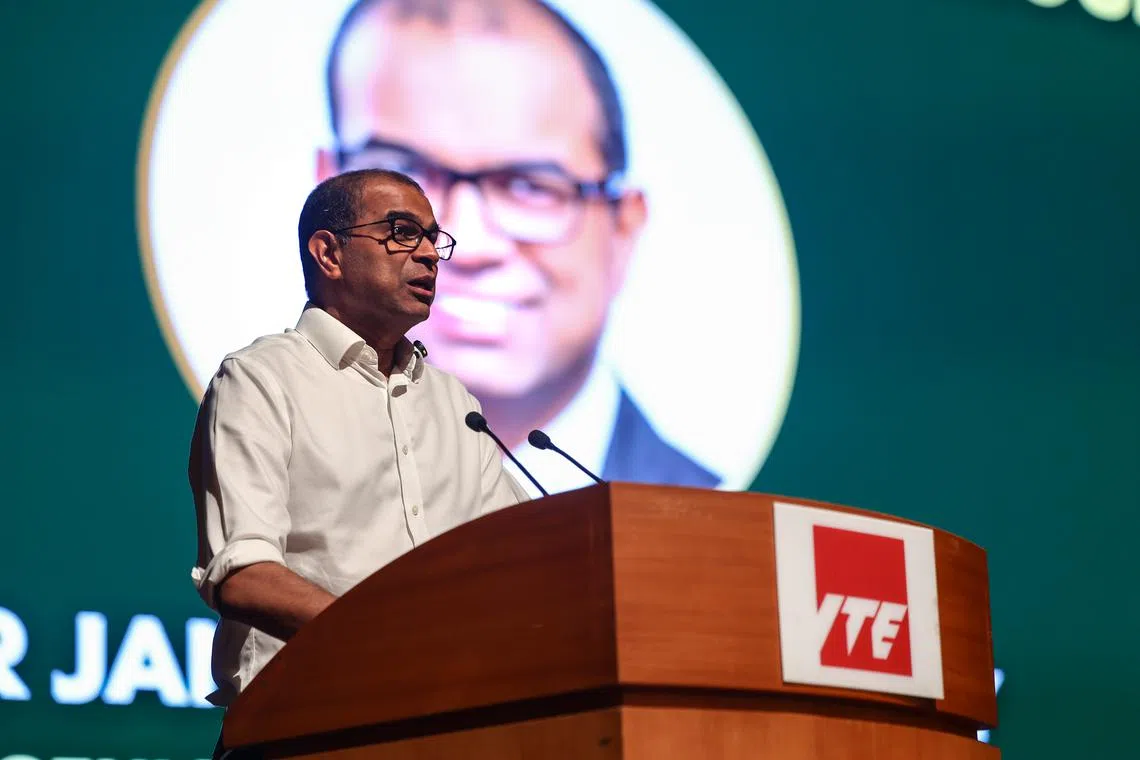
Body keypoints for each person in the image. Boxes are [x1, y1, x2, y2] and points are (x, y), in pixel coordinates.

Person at [315, 0, 721, 494]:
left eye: (529, 186)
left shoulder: (717, 519)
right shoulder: (270, 466)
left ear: (623, 229)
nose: (465, 244)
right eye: (404, 177)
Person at [189, 169, 529, 719]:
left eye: (432, 238)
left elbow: (528, 557)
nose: (428, 255)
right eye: (401, 231)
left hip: (447, 724)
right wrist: (393, 642)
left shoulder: (453, 403)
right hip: (305, 722)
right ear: (328, 253)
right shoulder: (262, 379)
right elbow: (244, 575)